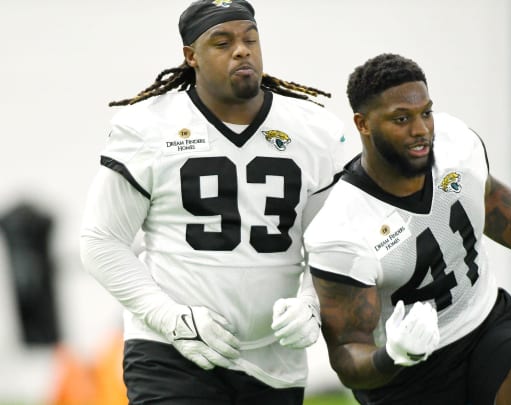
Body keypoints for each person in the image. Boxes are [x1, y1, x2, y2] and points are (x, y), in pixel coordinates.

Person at [303, 53, 511, 405]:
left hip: (486, 327)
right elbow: (347, 353)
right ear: (363, 124)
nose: (421, 130)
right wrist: (394, 354)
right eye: (401, 118)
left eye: (425, 112)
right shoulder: (341, 228)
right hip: (406, 380)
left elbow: (488, 199)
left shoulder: (454, 143)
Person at [79, 1, 351, 404]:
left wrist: (313, 302)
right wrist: (169, 319)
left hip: (273, 359)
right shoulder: (150, 126)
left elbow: (335, 242)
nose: (241, 50)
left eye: (250, 39)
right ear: (191, 56)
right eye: (222, 42)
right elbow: (101, 239)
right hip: (170, 351)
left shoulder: (313, 131)